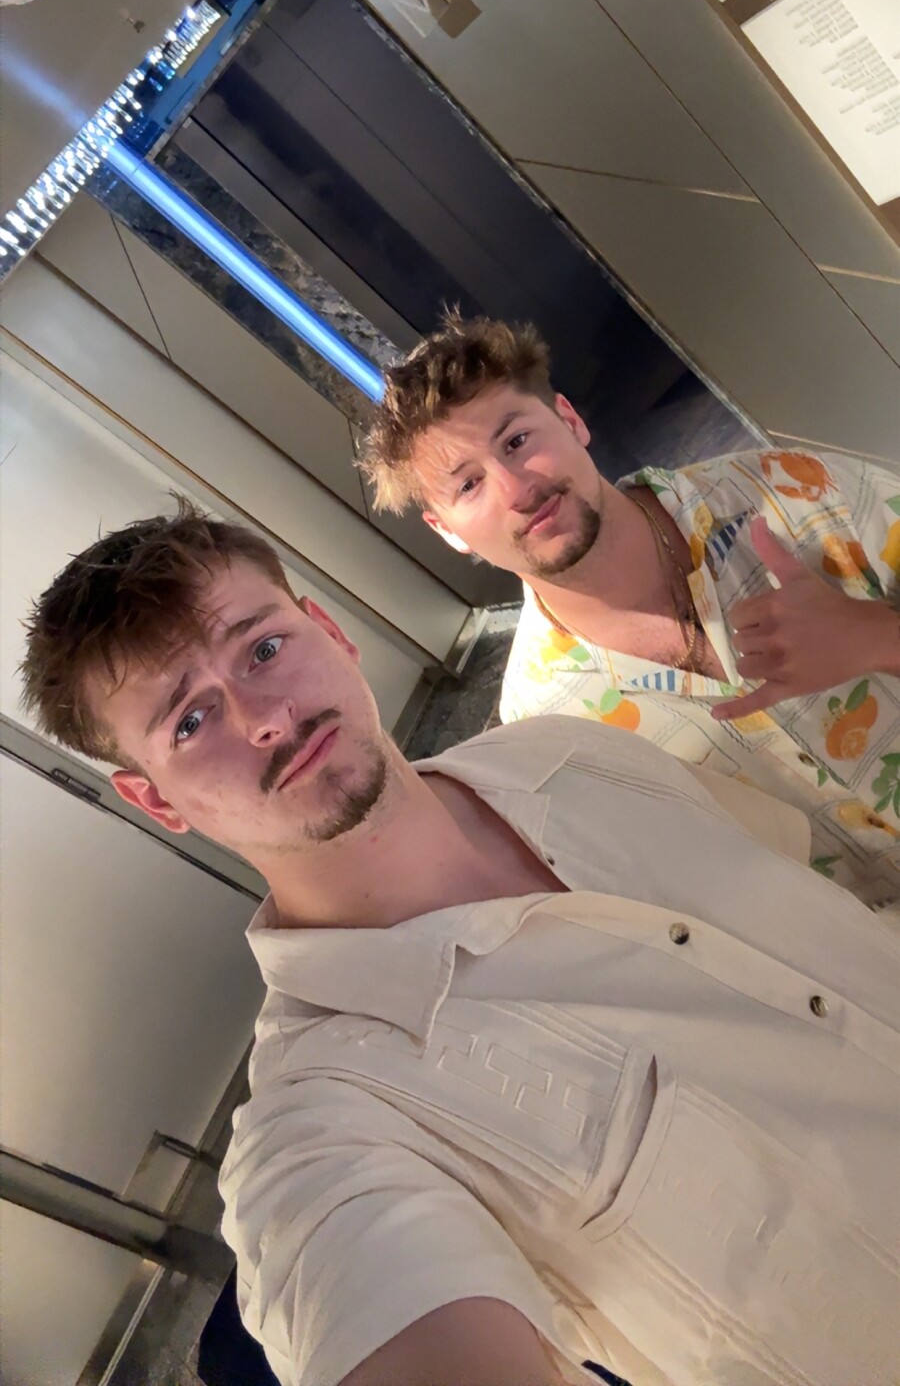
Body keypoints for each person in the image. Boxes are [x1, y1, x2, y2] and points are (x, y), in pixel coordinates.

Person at [20, 501, 900, 1386]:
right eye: (189, 721)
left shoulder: (572, 750)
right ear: (157, 801)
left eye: (263, 648)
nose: (263, 717)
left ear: (330, 629)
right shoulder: (325, 1132)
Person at [360, 312, 900, 907]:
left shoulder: (787, 491)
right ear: (446, 531)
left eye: (516, 442)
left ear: (570, 420)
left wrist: (878, 635)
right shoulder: (546, 727)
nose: (516, 491)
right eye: (468, 485)